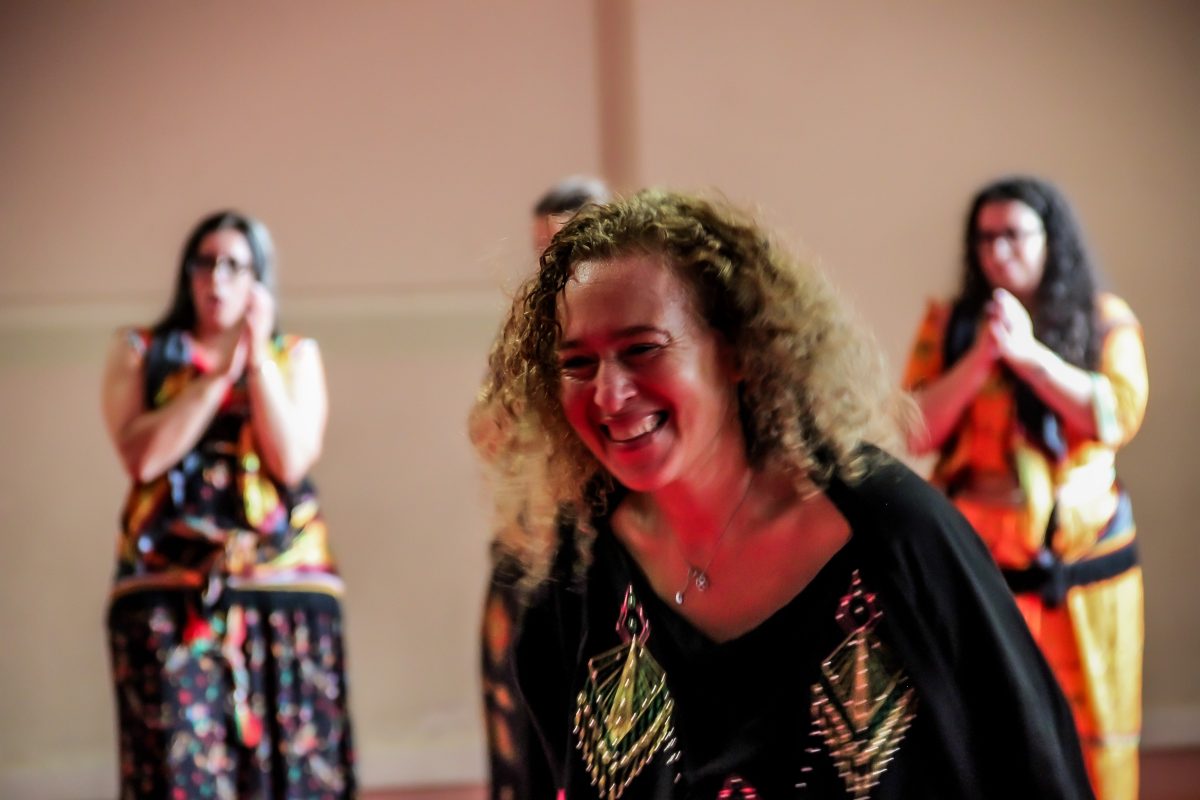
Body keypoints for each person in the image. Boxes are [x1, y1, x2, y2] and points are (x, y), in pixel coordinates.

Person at [472, 189, 1094, 799]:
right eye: (578, 364)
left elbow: (1036, 769)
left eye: (642, 349)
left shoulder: (898, 534)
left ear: (738, 352)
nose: (609, 394)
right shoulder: (574, 567)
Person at [903, 176, 1147, 800]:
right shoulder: (950, 325)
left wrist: (1031, 357)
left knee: (1095, 735)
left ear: (1050, 240)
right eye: (985, 239)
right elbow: (916, 430)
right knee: (985, 733)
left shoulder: (1105, 320)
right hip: (979, 565)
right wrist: (982, 357)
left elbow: (1117, 416)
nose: (997, 252)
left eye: (1013, 235)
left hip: (1082, 569)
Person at [101, 211, 355, 798]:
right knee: (181, 768)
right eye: (205, 264)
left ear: (258, 279)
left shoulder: (294, 354)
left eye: (234, 266)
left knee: (292, 768)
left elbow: (291, 461)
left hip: (285, 585)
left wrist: (256, 356)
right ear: (187, 274)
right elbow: (143, 458)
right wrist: (218, 378)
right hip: (168, 584)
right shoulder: (142, 351)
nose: (216, 279)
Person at [475, 176, 611, 800]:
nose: (551, 263)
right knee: (522, 740)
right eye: (542, 248)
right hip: (528, 556)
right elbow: (486, 432)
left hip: (599, 557)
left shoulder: (626, 328)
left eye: (567, 245)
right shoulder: (526, 334)